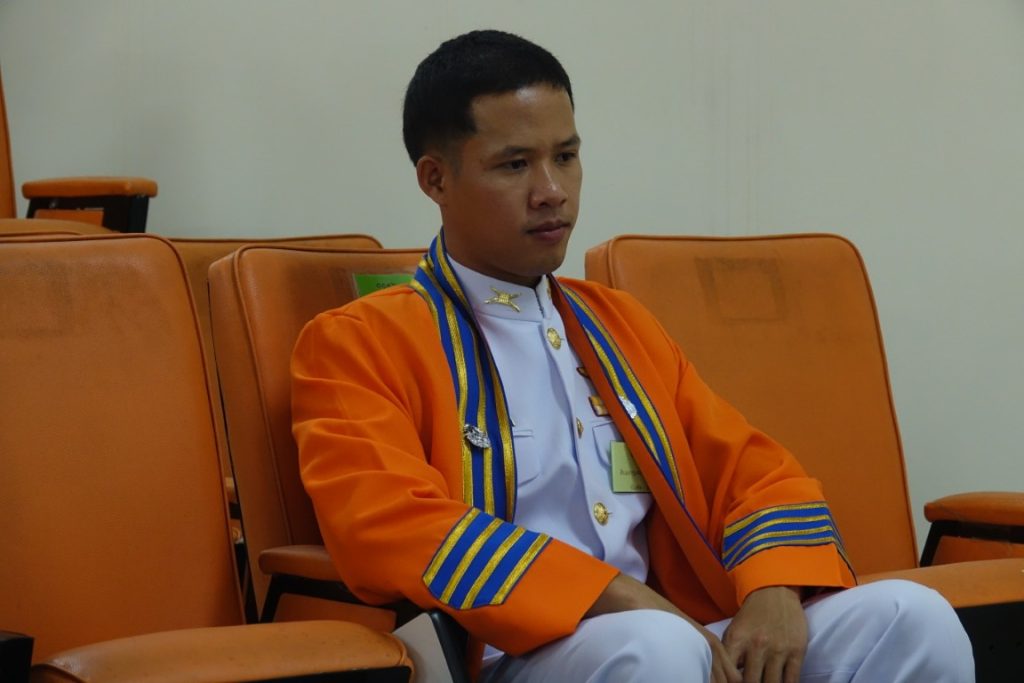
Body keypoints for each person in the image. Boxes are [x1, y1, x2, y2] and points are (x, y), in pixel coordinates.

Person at [291, 29, 974, 683]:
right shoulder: (359, 340)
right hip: (504, 654)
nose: (552, 190)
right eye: (514, 164)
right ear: (435, 179)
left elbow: (750, 472)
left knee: (913, 616)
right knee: (657, 645)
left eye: (566, 156)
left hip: (672, 632)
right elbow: (390, 525)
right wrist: (613, 593)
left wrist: (776, 586)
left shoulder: (617, 322)